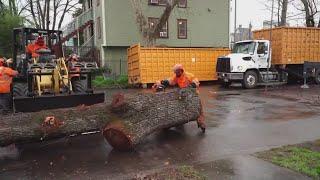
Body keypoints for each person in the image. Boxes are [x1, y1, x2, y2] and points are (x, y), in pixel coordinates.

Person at [153, 64, 206, 132]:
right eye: (175, 72)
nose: (176, 73)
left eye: (177, 72)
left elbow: (196, 81)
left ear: (181, 71)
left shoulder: (188, 75)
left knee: (198, 110)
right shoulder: (176, 77)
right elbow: (171, 81)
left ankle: (201, 124)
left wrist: (193, 84)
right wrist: (163, 82)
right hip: (183, 95)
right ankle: (180, 122)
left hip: (193, 96)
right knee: (181, 108)